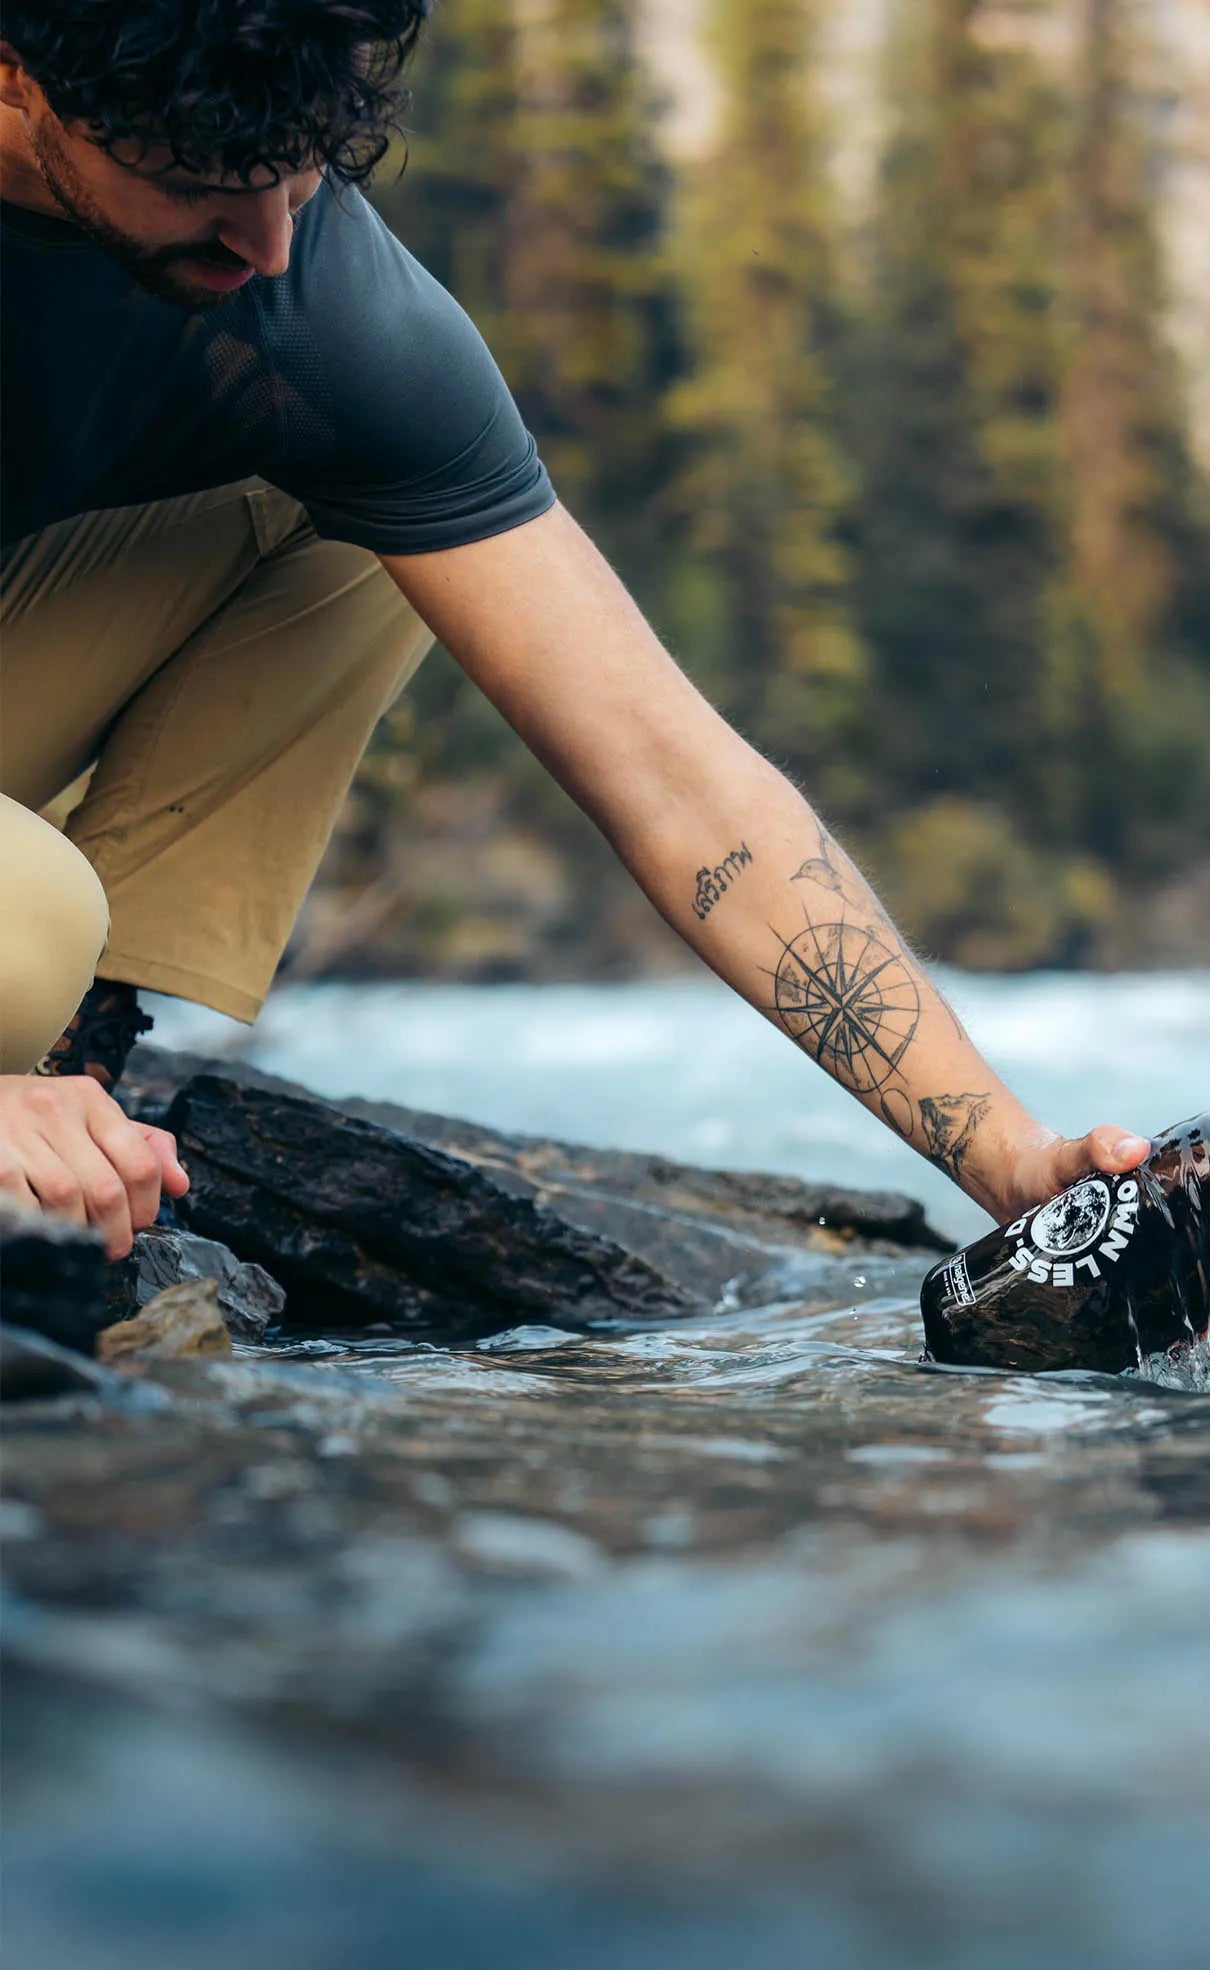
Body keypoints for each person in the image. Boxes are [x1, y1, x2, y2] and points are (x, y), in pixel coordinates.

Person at [0, 0, 1147, 1262]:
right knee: (30, 917)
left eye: (301, 172)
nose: (270, 246)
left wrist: (1013, 1161)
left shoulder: (325, 305)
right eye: (193, 182)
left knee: (363, 516)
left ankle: (76, 1062)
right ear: (19, 82)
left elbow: (672, 774)